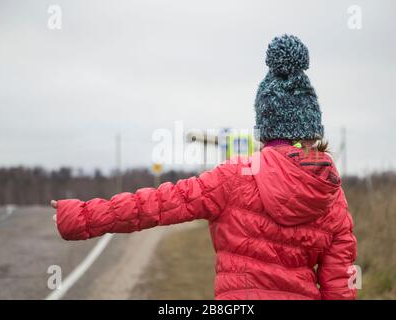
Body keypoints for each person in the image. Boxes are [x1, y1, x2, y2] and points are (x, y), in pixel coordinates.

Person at [51, 34, 357, 300]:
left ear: (265, 124)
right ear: (312, 127)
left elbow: (155, 206)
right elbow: (340, 285)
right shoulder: (331, 194)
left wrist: (79, 216)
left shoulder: (233, 177)